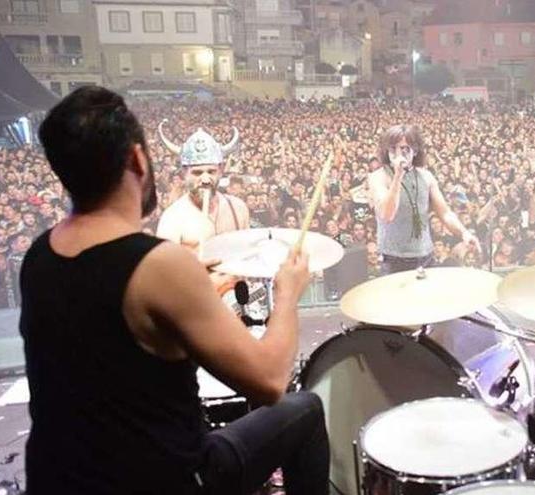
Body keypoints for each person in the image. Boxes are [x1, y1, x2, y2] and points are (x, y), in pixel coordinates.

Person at [21, 87, 328, 494]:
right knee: (303, 408)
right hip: (165, 479)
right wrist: (288, 292)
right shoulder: (159, 264)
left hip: (60, 479)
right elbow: (269, 380)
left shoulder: (40, 254)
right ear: (137, 159)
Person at [368, 124, 480, 274]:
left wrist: (464, 233)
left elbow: (445, 213)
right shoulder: (378, 177)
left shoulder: (426, 177)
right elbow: (387, 214)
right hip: (393, 259)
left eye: (404, 149)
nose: (398, 154)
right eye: (393, 149)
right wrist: (397, 176)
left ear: (414, 151)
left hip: (425, 256)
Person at [155, 120, 250, 252]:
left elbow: (247, 254)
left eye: (211, 172)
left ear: (221, 170)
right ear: (184, 172)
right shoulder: (172, 219)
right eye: (197, 173)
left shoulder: (238, 208)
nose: (205, 179)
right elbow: (165, 269)